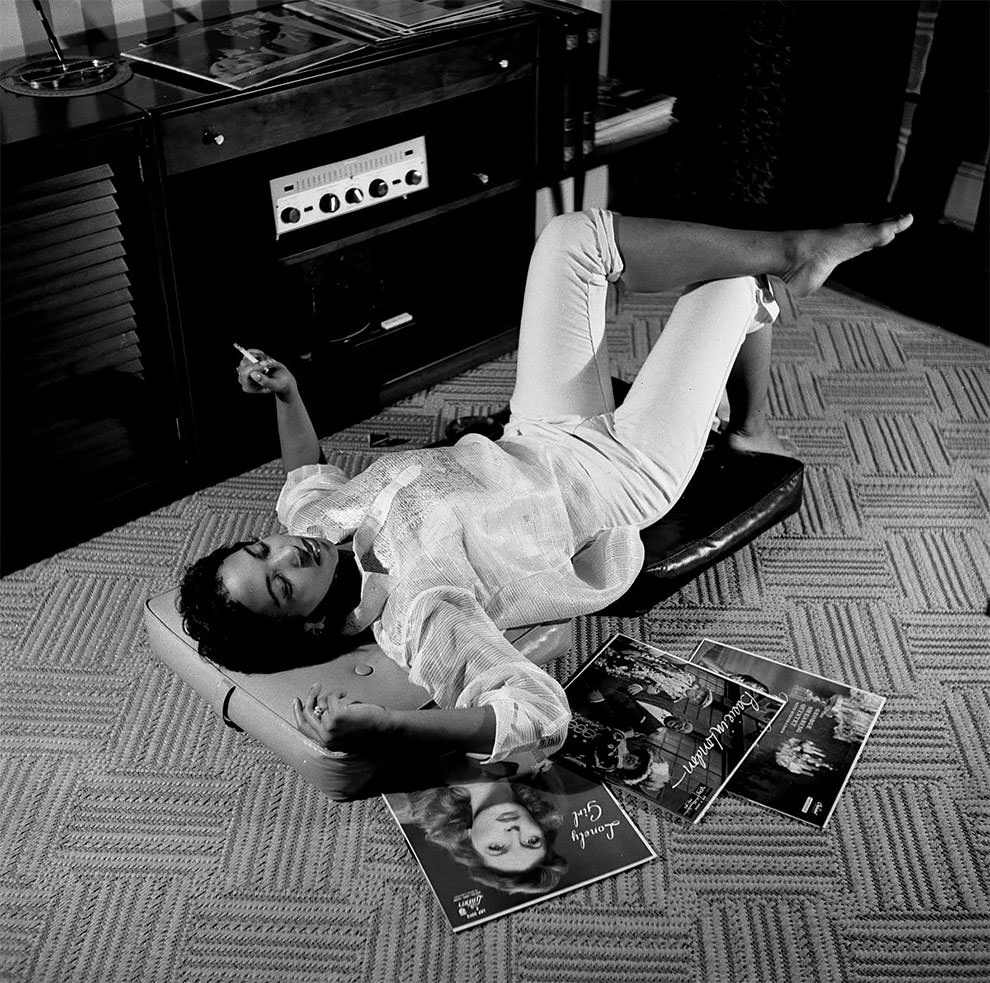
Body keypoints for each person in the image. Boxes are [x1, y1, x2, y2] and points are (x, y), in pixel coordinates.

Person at [177, 209, 913, 768]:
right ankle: (757, 395)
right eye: (279, 587)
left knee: (569, 238)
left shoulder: (317, 519)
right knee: (725, 284)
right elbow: (535, 714)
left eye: (261, 549)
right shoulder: (420, 612)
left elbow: (301, 473)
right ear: (308, 626)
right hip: (620, 476)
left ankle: (792, 262)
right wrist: (391, 726)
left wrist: (286, 392)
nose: (286, 555)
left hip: (540, 429)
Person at [389, 768, 568, 895]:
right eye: (532, 841)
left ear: (469, 841)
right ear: (540, 828)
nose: (514, 832)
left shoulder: (402, 802)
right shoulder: (538, 760)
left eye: (497, 846)